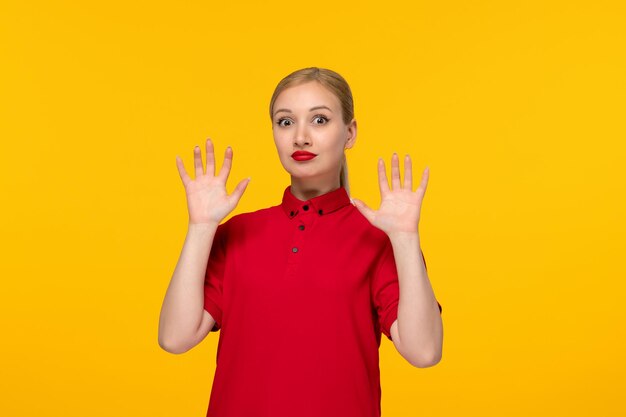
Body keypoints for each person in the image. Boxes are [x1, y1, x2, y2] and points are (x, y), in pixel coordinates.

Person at [158, 67, 443, 417]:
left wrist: (405, 239)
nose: (301, 137)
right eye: (285, 122)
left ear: (350, 133)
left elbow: (424, 351)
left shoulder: (379, 238)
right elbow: (174, 338)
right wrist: (201, 227)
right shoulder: (236, 233)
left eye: (320, 120)